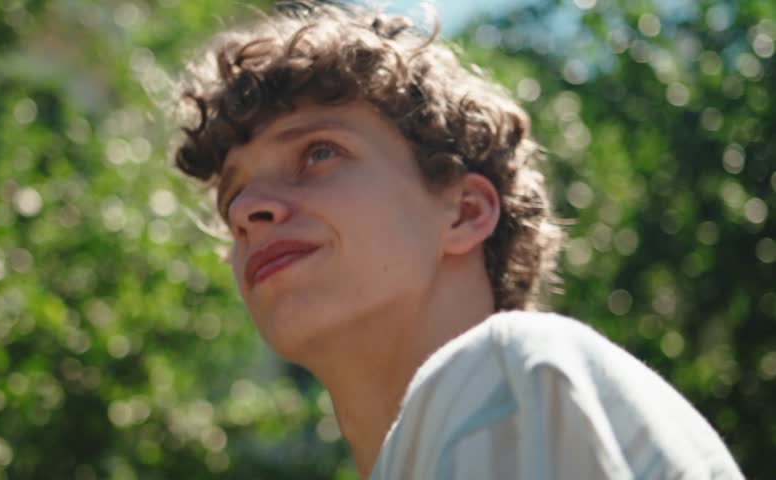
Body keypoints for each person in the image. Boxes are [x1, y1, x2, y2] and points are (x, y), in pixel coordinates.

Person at [171, 2, 743, 478]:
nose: (247, 211)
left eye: (319, 153)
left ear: (465, 213)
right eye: (233, 200)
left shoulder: (508, 377)